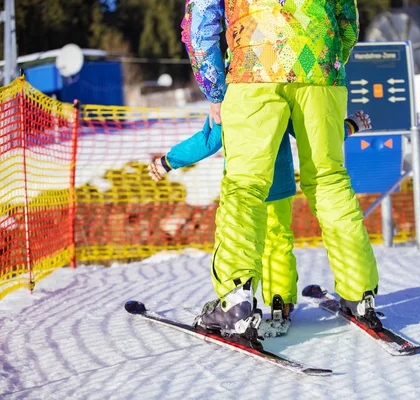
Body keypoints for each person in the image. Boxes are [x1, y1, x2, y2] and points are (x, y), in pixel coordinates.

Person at [182, 0, 381, 343]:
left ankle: (235, 302)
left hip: (254, 70)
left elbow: (200, 25)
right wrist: (327, 61)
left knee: (246, 187)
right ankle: (359, 292)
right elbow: (347, 17)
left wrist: (215, 92)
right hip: (320, 70)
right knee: (329, 179)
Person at [148, 111, 372, 330]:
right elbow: (311, 133)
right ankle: (280, 302)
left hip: (245, 187)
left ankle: (239, 305)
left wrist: (168, 161)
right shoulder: (278, 92)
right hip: (280, 184)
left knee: (244, 242)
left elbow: (209, 141)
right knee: (279, 243)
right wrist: (349, 126)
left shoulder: (231, 97)